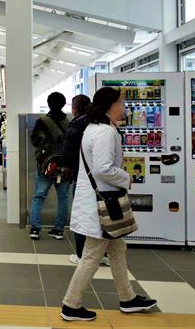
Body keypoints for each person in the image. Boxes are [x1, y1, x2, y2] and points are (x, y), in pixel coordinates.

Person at [61, 87, 157, 322]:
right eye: (121, 102)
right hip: (103, 204)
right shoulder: (105, 132)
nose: (124, 107)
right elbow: (103, 169)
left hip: (99, 202)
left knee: (117, 249)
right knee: (91, 255)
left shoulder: (94, 128)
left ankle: (127, 298)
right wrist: (126, 178)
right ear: (110, 105)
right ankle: (71, 305)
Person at [61, 94, 109, 266]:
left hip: (83, 178)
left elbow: (68, 154)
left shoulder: (76, 125)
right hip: (104, 181)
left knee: (82, 217)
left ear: (74, 109)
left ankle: (82, 254)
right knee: (103, 216)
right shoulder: (103, 124)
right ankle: (103, 254)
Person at [29, 92, 71, 240]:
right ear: (63, 104)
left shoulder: (42, 121)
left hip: (46, 165)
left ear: (48, 103)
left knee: (39, 196)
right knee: (63, 198)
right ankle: (59, 230)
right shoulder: (69, 122)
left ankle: (35, 229)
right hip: (65, 165)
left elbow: (35, 140)